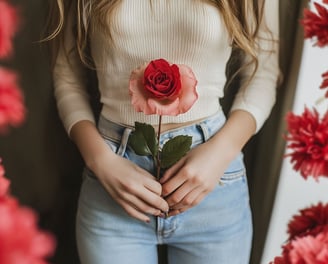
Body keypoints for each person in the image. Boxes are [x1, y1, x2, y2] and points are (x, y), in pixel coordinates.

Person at [48, 0, 280, 263]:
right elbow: (67, 77)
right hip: (112, 181)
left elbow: (263, 75)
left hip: (213, 182)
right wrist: (99, 159)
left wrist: (220, 153)